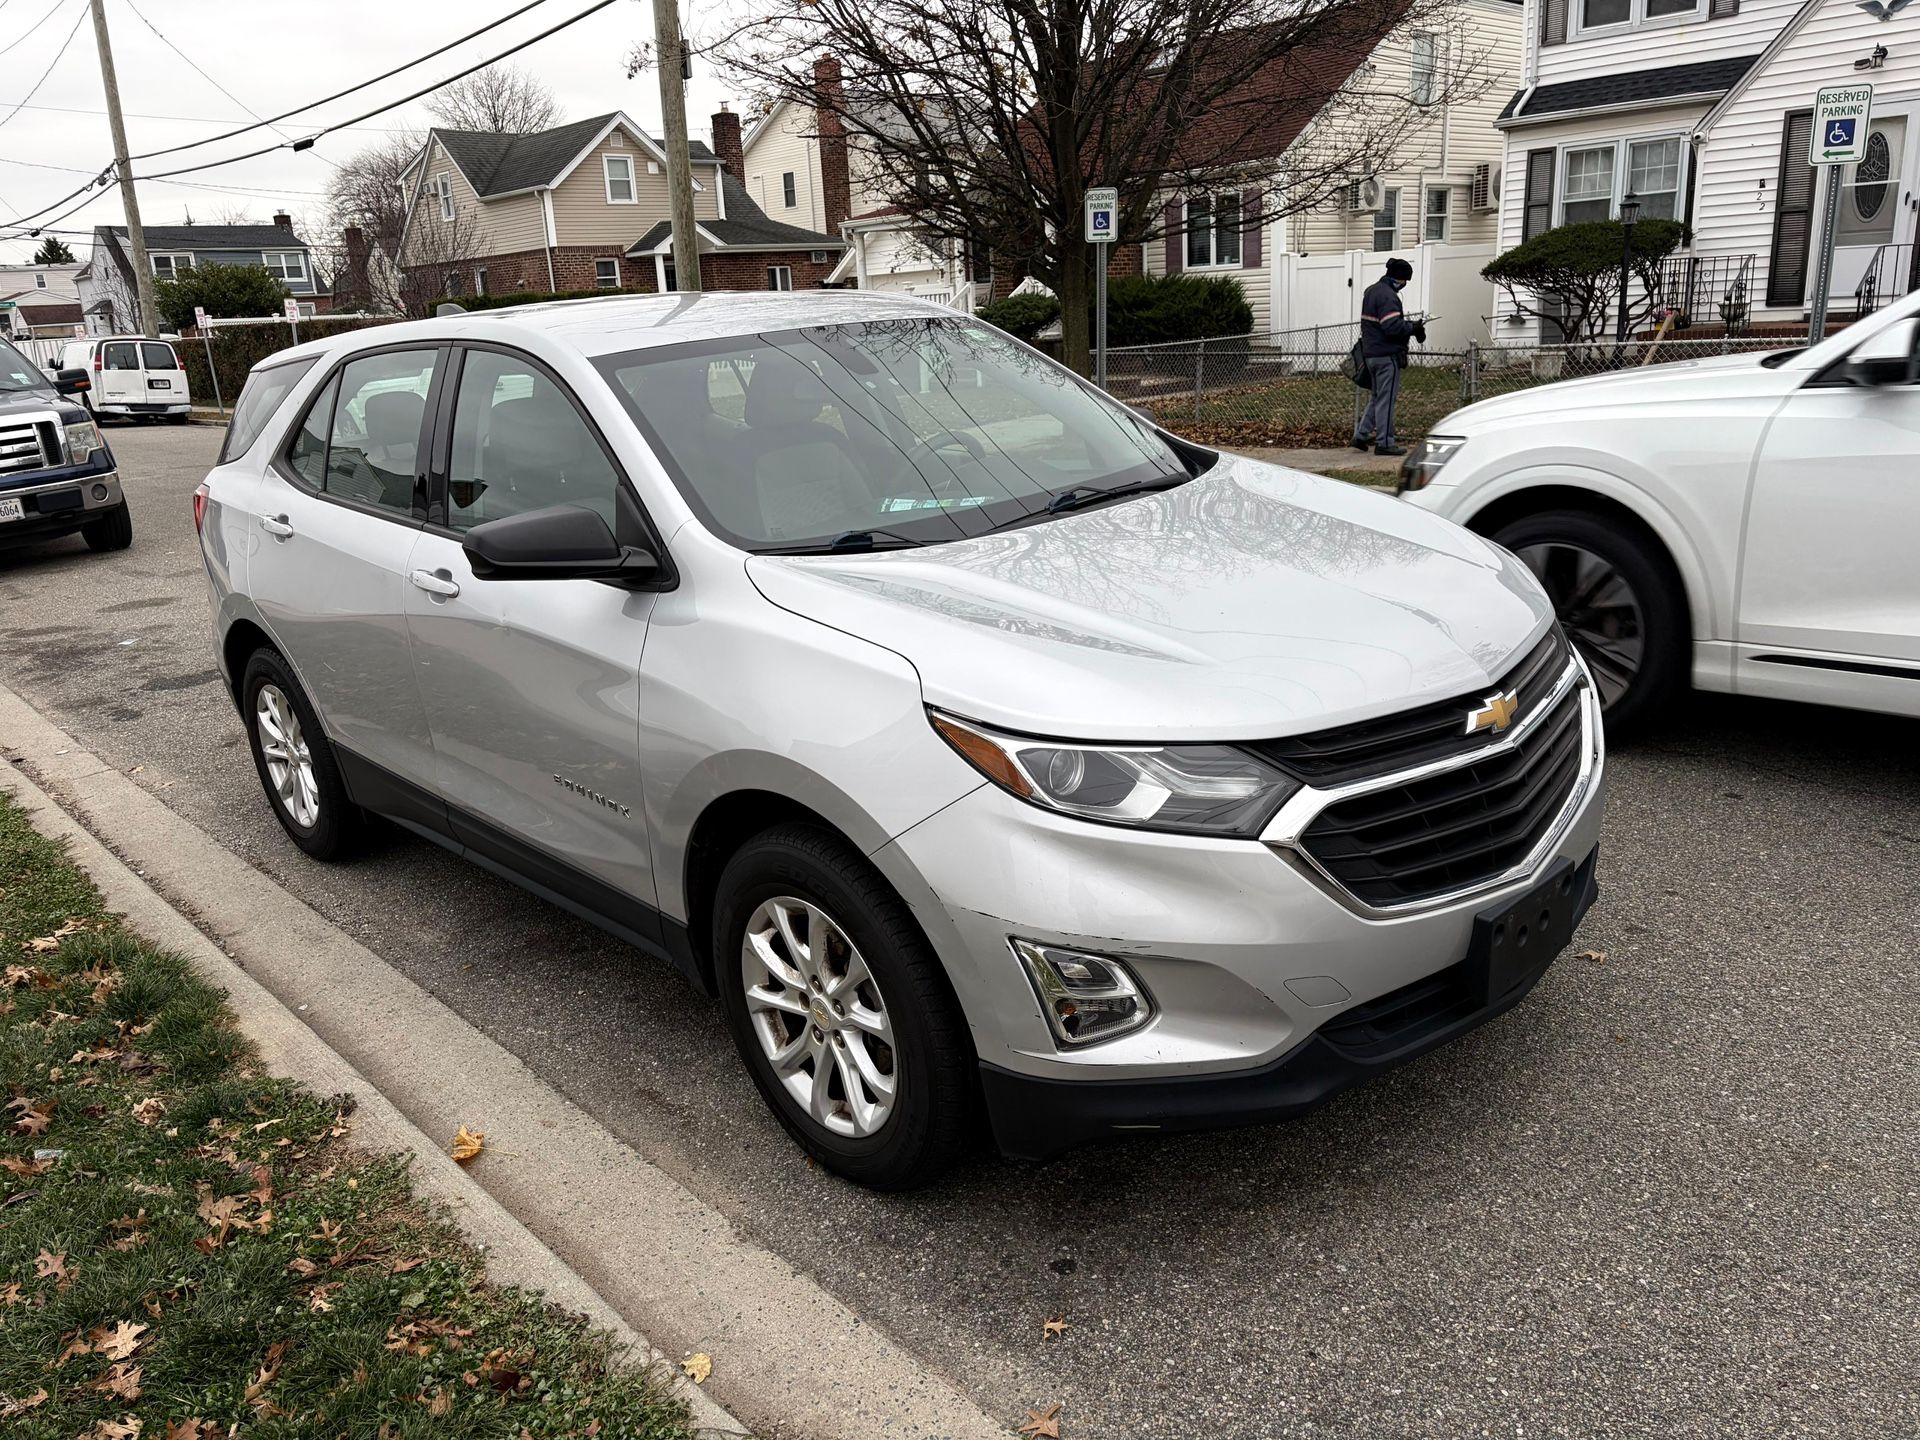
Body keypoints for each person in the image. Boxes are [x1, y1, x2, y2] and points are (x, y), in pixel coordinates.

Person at [1354, 257, 1427, 458]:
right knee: (1386, 400)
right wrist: (1413, 328)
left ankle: (1361, 435)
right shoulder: (1388, 296)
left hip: (1370, 354)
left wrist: (1410, 326)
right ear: (1399, 278)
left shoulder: (1371, 291)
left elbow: (1380, 323)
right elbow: (1391, 326)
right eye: (1405, 280)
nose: (1405, 284)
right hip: (1387, 355)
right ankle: (1385, 442)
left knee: (1377, 397)